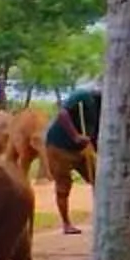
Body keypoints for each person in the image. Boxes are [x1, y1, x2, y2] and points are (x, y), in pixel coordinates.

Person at [43, 84, 100, 234]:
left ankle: (101, 218)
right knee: (63, 186)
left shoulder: (108, 107)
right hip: (59, 147)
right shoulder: (82, 96)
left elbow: (95, 133)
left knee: (100, 180)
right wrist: (75, 136)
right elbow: (62, 114)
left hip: (83, 149)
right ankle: (66, 224)